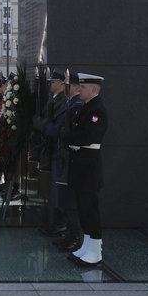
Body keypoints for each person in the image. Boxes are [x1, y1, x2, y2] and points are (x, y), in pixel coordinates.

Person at [65, 73, 108, 267]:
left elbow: (87, 136)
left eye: (82, 88)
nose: (78, 90)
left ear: (92, 89)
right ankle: (88, 247)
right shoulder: (87, 108)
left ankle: (95, 251)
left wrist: (67, 136)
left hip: (88, 166)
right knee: (83, 209)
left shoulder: (96, 110)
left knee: (90, 209)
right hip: (81, 164)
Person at [40, 71, 82, 243]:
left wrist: (48, 126)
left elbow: (61, 130)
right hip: (59, 154)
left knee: (64, 195)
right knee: (58, 193)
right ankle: (62, 226)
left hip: (66, 155)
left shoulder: (74, 105)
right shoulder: (70, 103)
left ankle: (67, 230)